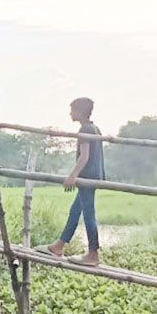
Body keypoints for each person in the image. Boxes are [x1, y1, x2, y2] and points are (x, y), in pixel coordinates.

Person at [37, 97, 105, 265]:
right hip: (92, 176)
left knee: (89, 214)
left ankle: (93, 254)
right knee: (75, 210)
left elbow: (85, 156)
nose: (70, 113)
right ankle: (58, 246)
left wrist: (72, 175)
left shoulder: (85, 129)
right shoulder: (94, 128)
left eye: (72, 110)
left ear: (80, 112)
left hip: (86, 177)